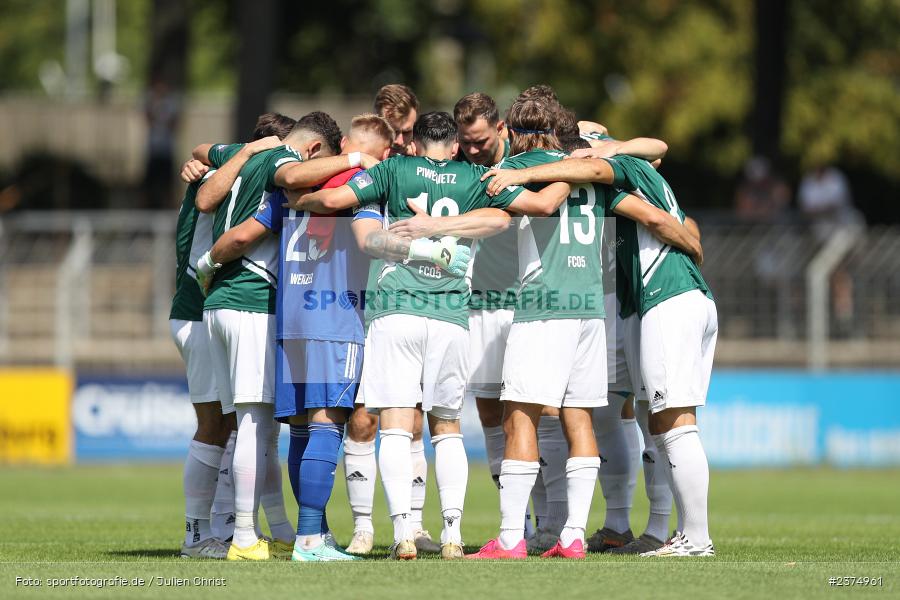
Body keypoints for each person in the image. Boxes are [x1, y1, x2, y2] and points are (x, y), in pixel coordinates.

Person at [287, 110, 568, 560]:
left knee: (395, 426)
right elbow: (502, 218)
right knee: (447, 426)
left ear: (413, 145)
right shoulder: (476, 176)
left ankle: (402, 533)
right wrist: (444, 233)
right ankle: (453, 534)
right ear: (455, 146)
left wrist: (303, 200)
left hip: (395, 310)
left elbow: (337, 202)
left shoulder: (393, 169)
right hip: (452, 315)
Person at [482, 148, 716, 558]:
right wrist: (692, 243)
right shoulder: (630, 179)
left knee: (674, 422)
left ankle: (696, 537)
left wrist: (695, 250)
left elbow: (655, 215)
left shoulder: (617, 168)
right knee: (655, 419)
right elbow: (668, 182)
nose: (577, 160)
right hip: (673, 300)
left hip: (667, 297)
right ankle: (667, 531)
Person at [191, 111, 374, 560]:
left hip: (285, 318)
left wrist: (208, 265)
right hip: (327, 314)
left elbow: (237, 229)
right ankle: (296, 536)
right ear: (318, 151)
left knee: (292, 428)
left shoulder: (273, 187)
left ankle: (300, 532)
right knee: (321, 423)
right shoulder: (346, 182)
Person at [171, 114, 294, 559]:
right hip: (199, 309)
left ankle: (238, 529)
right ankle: (198, 535)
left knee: (242, 426)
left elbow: (203, 149)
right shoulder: (224, 181)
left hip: (208, 310)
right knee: (218, 426)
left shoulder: (229, 175)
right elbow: (205, 189)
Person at [343, 84, 439, 555]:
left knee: (414, 419)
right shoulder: (367, 177)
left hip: (413, 307)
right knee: (362, 418)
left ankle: (416, 523)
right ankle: (363, 526)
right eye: (396, 135)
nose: (403, 144)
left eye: (408, 134)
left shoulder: (424, 178)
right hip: (355, 306)